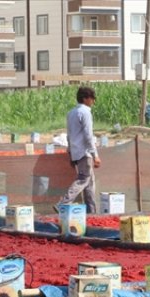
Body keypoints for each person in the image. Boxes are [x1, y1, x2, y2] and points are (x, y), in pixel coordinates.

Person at [57, 86, 100, 214]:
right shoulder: (85, 112)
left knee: (90, 184)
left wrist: (70, 151)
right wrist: (95, 155)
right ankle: (63, 203)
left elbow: (69, 135)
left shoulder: (71, 113)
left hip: (76, 151)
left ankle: (91, 213)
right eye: (92, 98)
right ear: (85, 99)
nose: (93, 101)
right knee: (83, 178)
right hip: (84, 152)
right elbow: (88, 135)